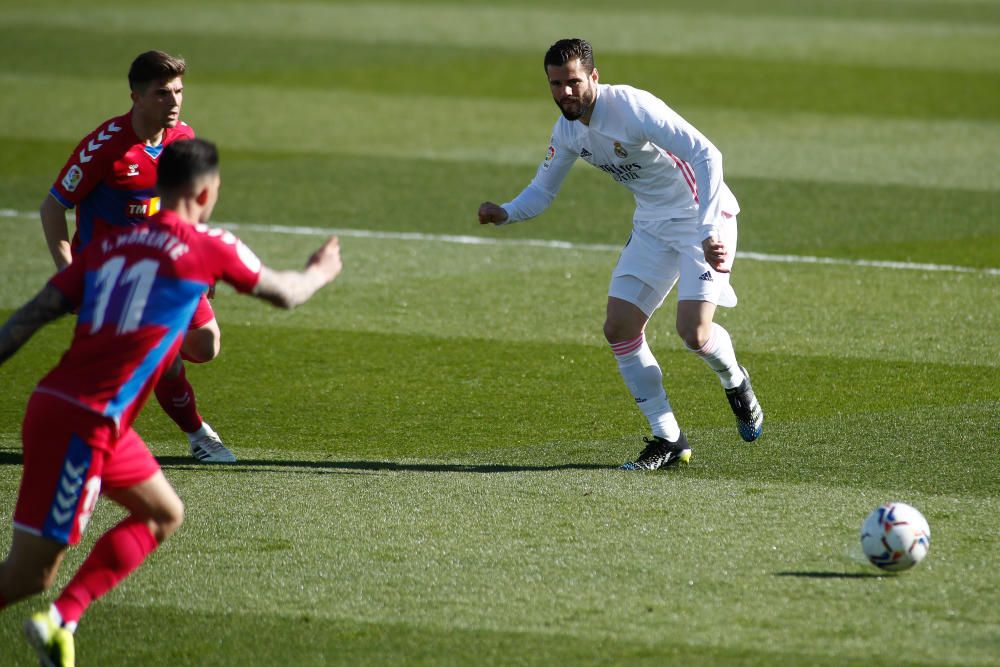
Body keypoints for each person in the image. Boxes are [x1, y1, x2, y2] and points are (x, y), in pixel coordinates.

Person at [0, 138, 342, 666]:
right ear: (207, 192)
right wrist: (321, 269)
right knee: (28, 574)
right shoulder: (210, 243)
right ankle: (55, 613)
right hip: (84, 421)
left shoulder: (110, 247)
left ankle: (62, 620)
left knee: (163, 512)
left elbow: (32, 314)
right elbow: (286, 293)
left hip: (80, 411)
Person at [478, 38, 763, 470]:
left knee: (694, 334)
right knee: (619, 328)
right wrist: (506, 213)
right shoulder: (569, 130)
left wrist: (708, 229)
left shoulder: (632, 107)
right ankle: (668, 438)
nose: (564, 93)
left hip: (701, 217)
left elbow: (706, 153)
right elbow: (542, 190)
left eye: (572, 82)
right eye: (555, 84)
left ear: (593, 76)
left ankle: (734, 379)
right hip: (651, 224)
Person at [40, 50, 235, 463]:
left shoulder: (183, 139)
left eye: (179, 91)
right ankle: (199, 435)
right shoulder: (105, 148)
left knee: (205, 345)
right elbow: (53, 206)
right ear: (136, 97)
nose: (175, 101)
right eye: (163, 93)